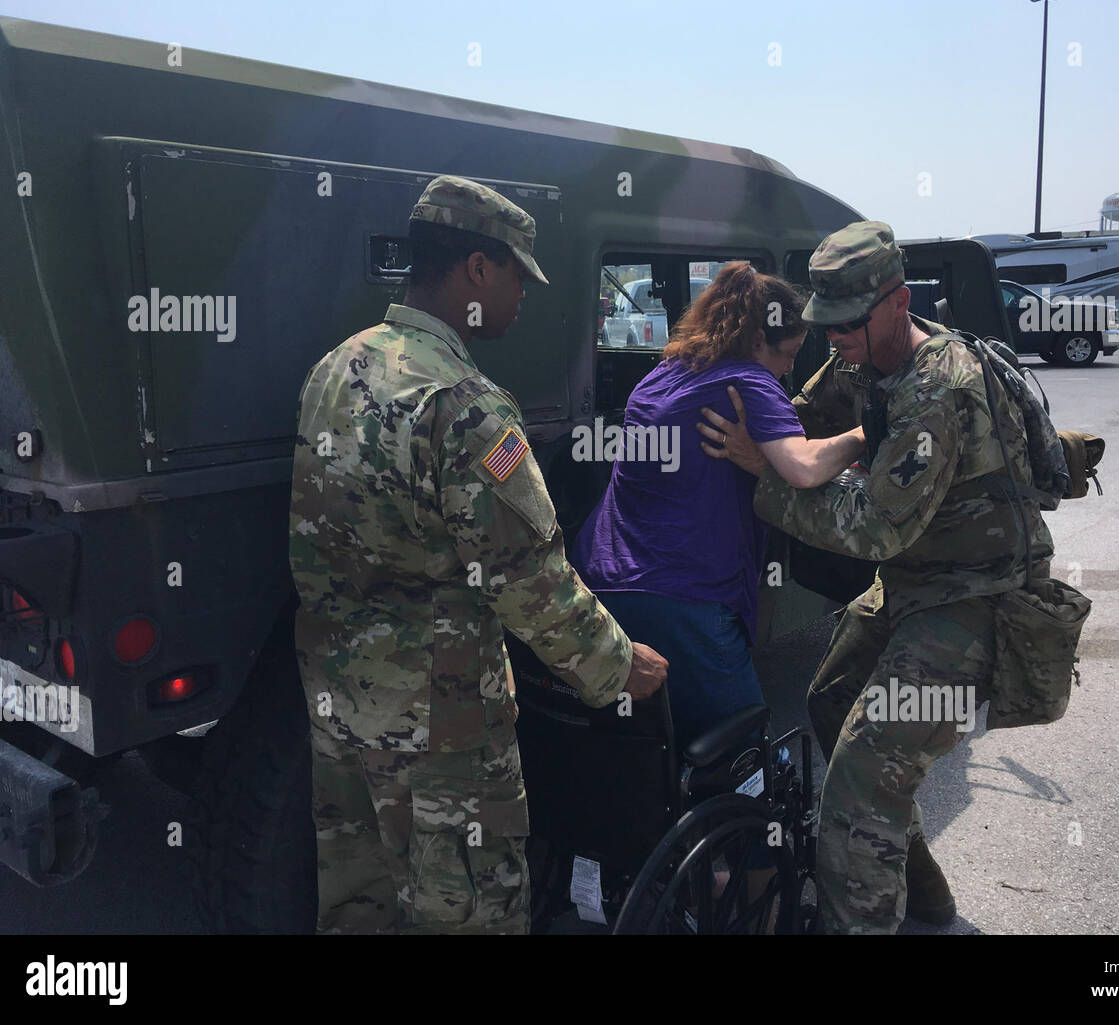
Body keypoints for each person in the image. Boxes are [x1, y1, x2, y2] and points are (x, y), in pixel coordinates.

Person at [289, 175, 667, 935]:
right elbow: (531, 583)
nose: (522, 298)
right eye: (517, 276)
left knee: (356, 909)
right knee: (469, 912)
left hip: (340, 710)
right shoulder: (464, 404)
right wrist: (621, 666)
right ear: (476, 269)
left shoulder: (334, 368)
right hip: (443, 734)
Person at [700, 221, 1054, 934]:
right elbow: (799, 420)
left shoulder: (937, 389)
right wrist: (754, 423)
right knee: (830, 703)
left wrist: (765, 472)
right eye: (822, 324)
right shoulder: (861, 355)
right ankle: (924, 903)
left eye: (847, 324)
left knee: (860, 785)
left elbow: (872, 524)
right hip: (915, 581)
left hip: (978, 597)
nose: (834, 340)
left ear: (898, 301)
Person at [572, 262, 865, 750]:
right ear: (756, 342)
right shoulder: (750, 382)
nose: (791, 367)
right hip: (687, 599)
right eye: (789, 354)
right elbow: (804, 469)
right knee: (743, 747)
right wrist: (865, 432)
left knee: (641, 744)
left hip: (601, 585)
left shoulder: (663, 374)